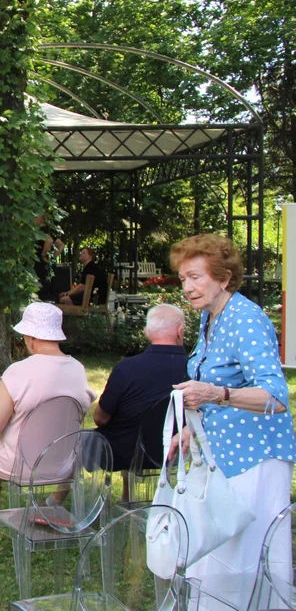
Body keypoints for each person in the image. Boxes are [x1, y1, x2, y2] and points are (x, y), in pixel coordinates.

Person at [168, 234, 296, 609]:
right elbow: (222, 382)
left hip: (256, 459)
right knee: (217, 552)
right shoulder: (211, 317)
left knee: (244, 556)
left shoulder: (246, 319)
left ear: (223, 278)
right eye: (183, 279)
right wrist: (193, 428)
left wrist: (215, 395)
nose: (188, 288)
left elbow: (275, 396)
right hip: (222, 454)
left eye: (196, 277)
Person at [0, 302, 95, 527]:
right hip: (64, 463)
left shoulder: (19, 371)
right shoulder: (78, 369)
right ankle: (53, 502)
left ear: (30, 338)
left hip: (20, 465)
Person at [94, 304, 188, 484]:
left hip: (123, 454)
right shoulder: (194, 369)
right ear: (180, 330)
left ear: (146, 332)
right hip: (175, 451)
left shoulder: (126, 368)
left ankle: (125, 496)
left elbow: (100, 418)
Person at [34, 215, 65, 301]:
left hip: (40, 266)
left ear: (40, 219)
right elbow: (61, 245)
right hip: (48, 267)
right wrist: (51, 258)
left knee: (40, 292)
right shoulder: (50, 231)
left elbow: (49, 241)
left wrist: (43, 255)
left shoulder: (41, 230)